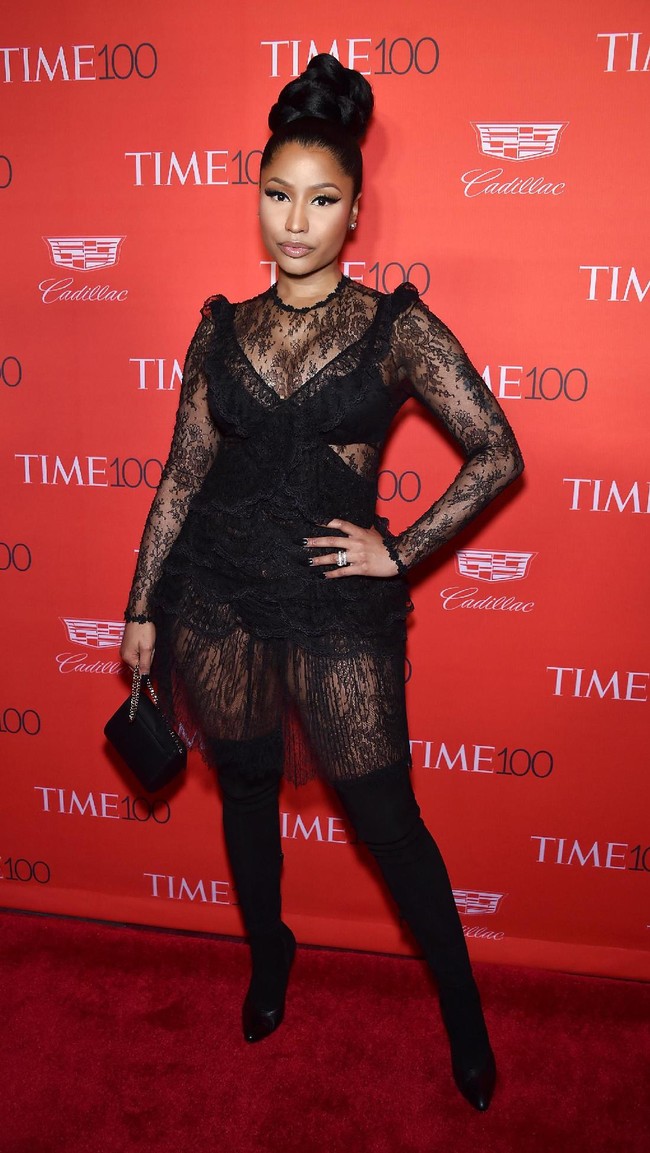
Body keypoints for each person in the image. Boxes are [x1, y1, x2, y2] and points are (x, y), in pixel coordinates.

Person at [120, 54, 524, 1112]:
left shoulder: (393, 327)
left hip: (334, 608)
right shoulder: (220, 330)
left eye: (322, 199)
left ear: (354, 213)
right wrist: (139, 610)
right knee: (245, 789)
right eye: (275, 194)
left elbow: (495, 451)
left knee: (386, 818)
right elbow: (180, 478)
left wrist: (403, 546)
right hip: (214, 598)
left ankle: (463, 1018)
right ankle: (270, 955)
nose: (293, 221)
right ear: (257, 196)